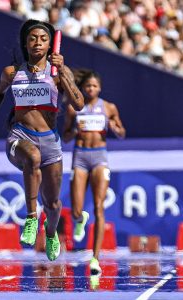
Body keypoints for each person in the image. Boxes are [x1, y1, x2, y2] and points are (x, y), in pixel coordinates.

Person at [0, 19, 84, 261]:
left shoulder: (59, 72)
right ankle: (31, 217)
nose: (37, 42)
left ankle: (50, 234)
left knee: (54, 204)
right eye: (32, 38)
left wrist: (63, 72)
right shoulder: (12, 72)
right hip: (20, 136)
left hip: (50, 141)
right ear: (26, 44)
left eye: (43, 39)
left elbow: (79, 104)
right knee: (32, 157)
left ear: (50, 45)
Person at [63, 69, 126, 275]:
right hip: (80, 157)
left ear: (99, 88)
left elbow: (122, 133)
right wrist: (74, 130)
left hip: (100, 158)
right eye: (87, 86)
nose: (91, 89)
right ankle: (80, 218)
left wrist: (116, 128)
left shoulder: (108, 107)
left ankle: (95, 258)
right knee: (75, 210)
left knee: (99, 207)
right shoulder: (74, 108)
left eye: (94, 86)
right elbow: (65, 137)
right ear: (82, 88)